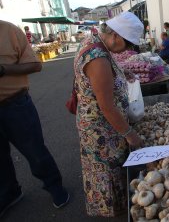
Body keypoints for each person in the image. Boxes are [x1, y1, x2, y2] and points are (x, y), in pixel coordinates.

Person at [74, 11, 144, 217]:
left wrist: (122, 72)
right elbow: (106, 105)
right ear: (116, 35)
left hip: (101, 125)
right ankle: (114, 213)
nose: (129, 49)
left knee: (112, 172)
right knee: (109, 173)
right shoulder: (97, 58)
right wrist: (130, 134)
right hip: (101, 131)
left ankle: (116, 209)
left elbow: (104, 76)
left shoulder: (95, 41)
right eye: (129, 44)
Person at [0, 20, 70, 218]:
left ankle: (54, 186)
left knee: (35, 151)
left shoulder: (10, 31)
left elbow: (35, 64)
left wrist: (3, 69)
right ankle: (9, 193)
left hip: (15, 104)